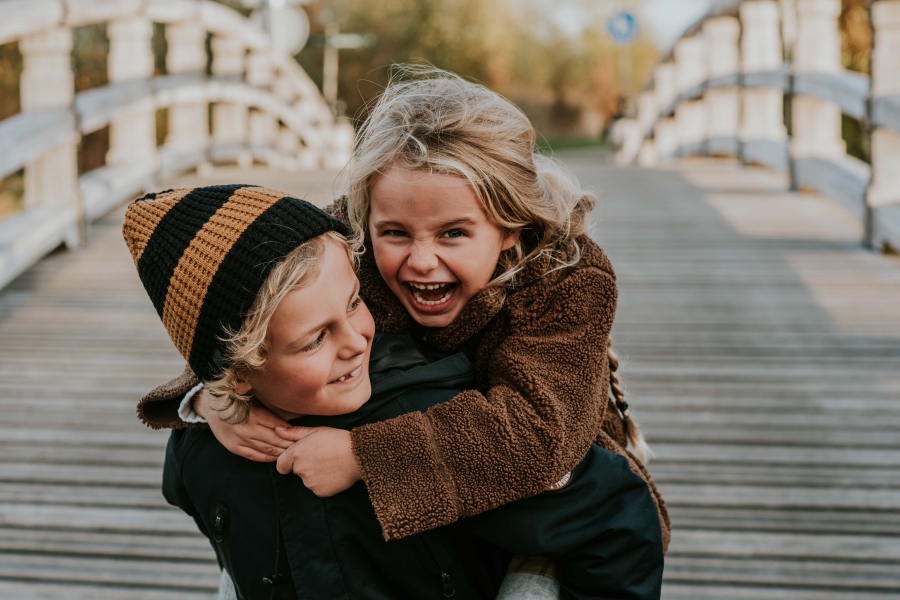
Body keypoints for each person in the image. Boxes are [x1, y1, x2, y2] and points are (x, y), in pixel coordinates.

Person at [138, 66, 671, 596]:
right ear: (365, 220)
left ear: (510, 228)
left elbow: (538, 432)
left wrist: (361, 457)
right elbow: (244, 309)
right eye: (395, 232)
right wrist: (212, 398)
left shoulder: (566, 277)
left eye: (454, 233)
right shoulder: (349, 239)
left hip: (553, 496)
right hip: (425, 464)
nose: (421, 260)